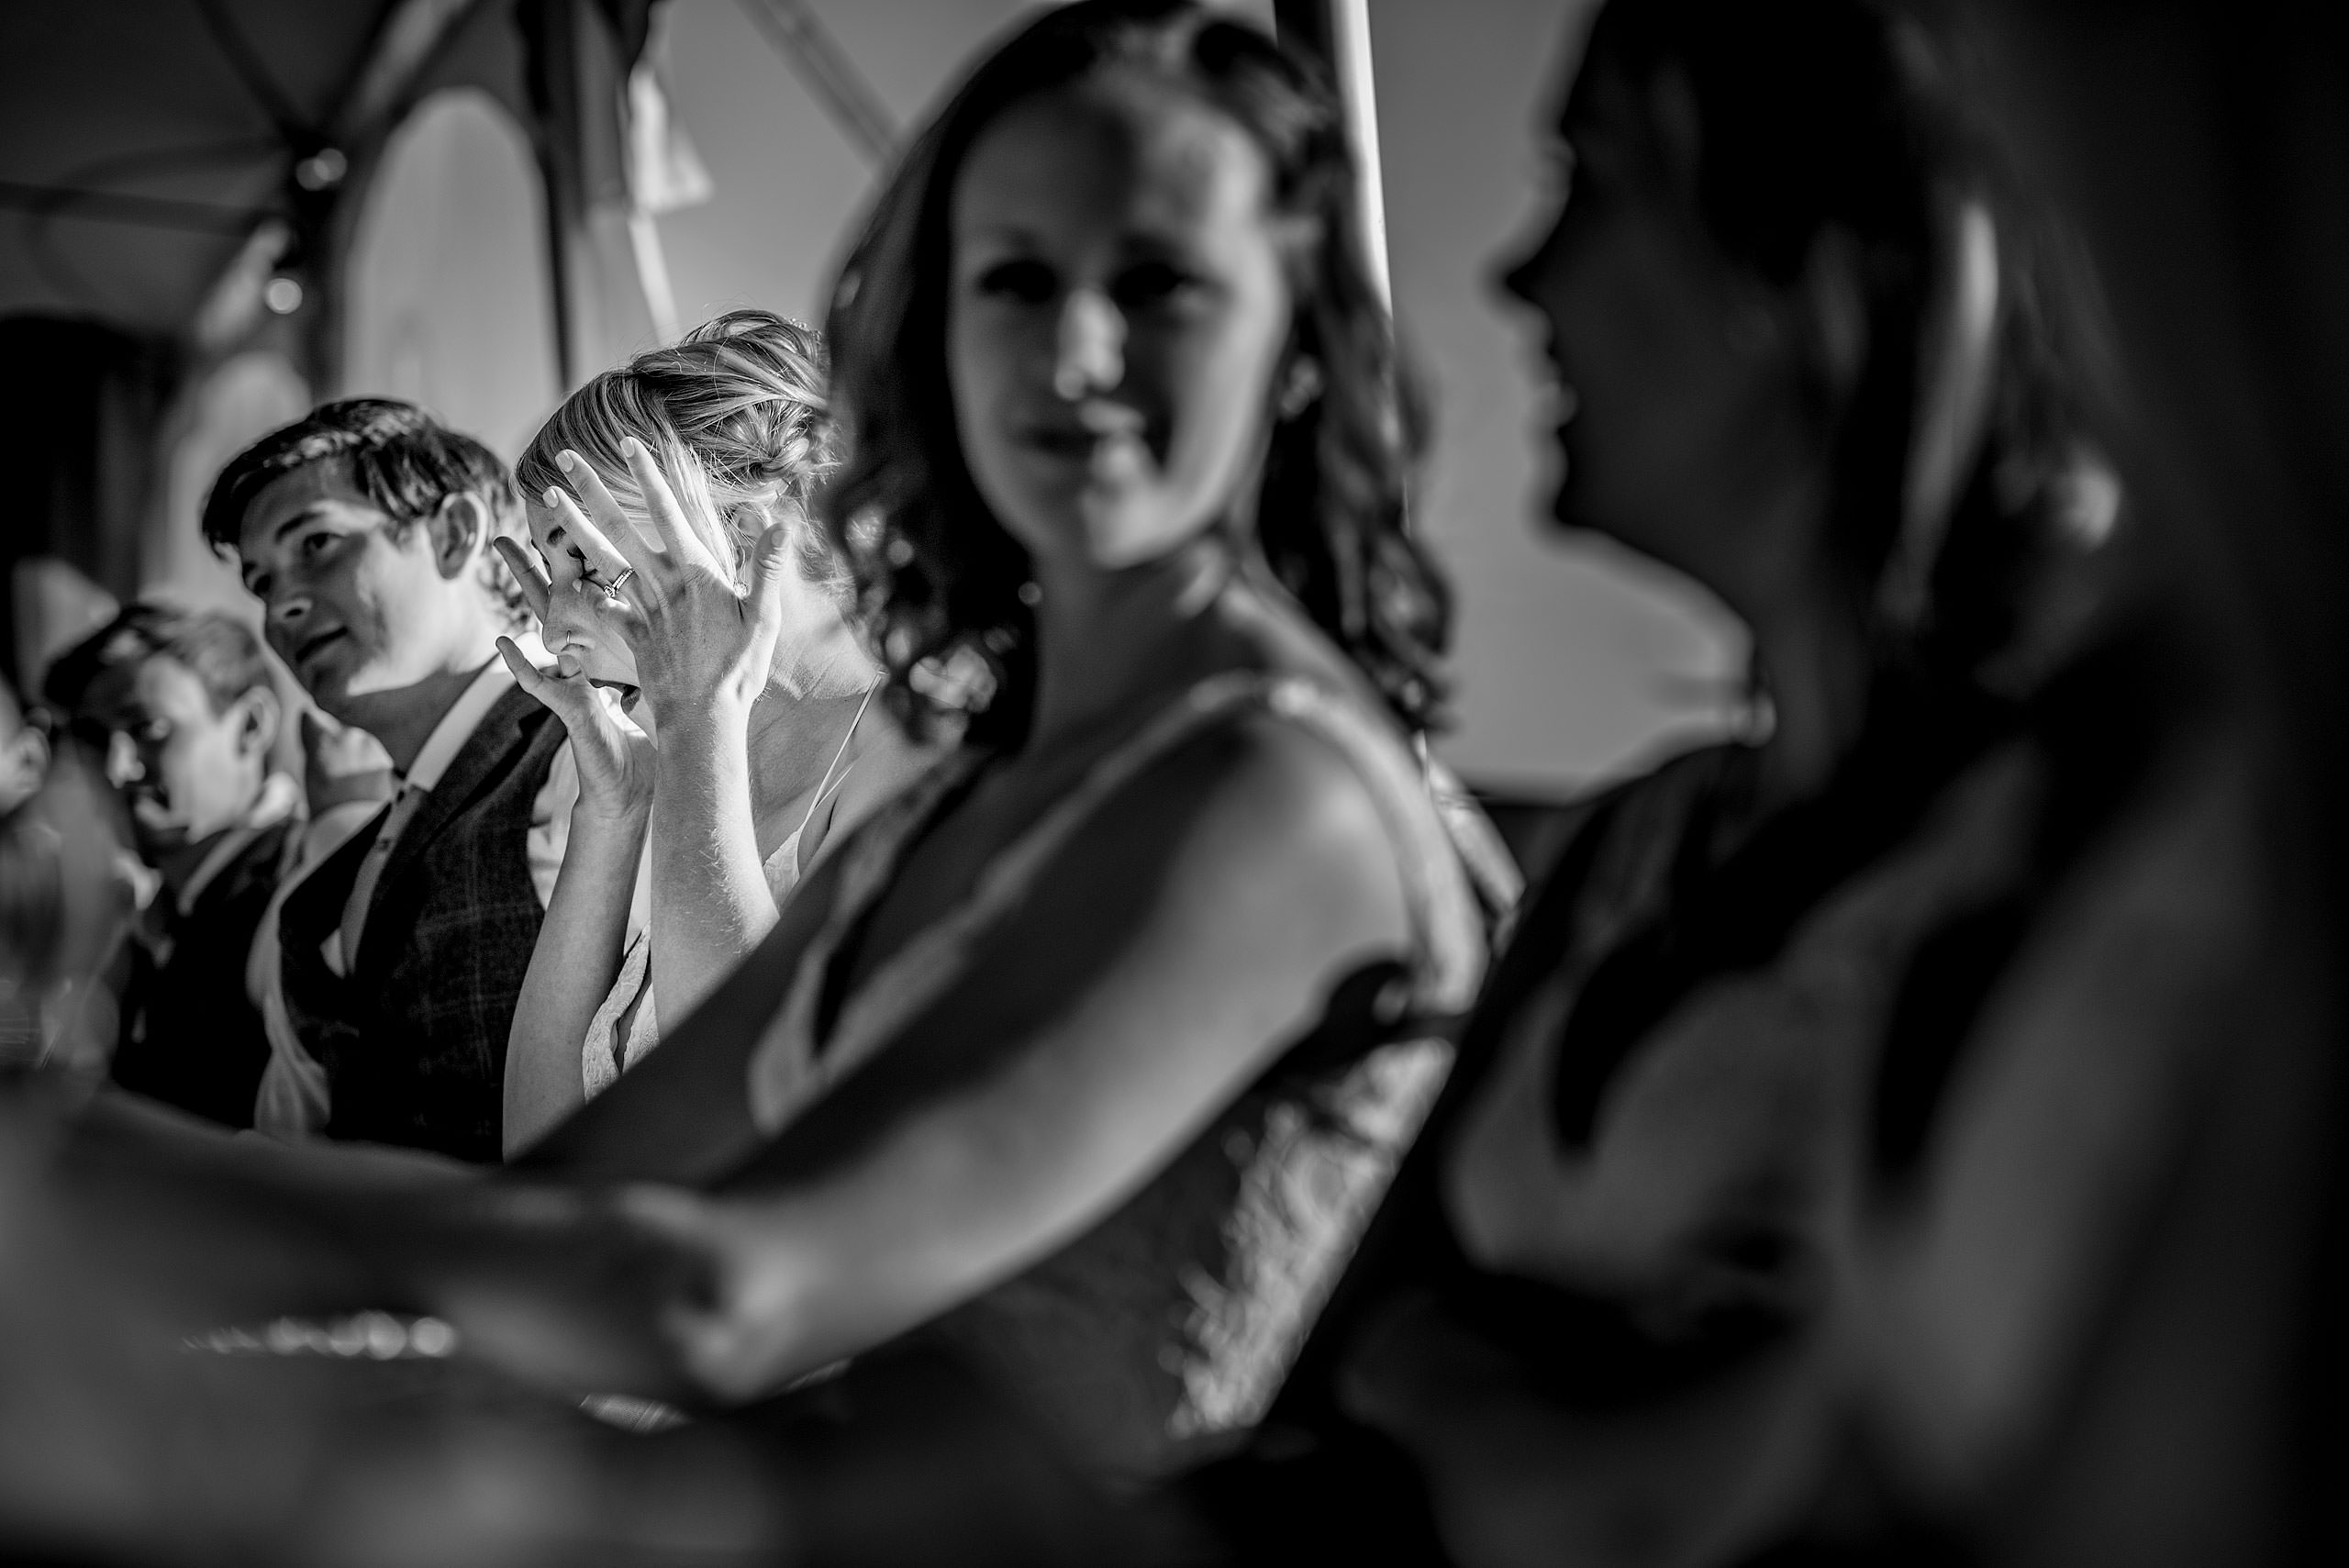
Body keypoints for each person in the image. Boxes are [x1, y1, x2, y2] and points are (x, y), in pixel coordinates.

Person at [21, 0, 1488, 1487]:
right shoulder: (990, 782)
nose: (1077, 354)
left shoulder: (1268, 777)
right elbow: (596, 1173)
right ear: (938, 332)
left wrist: (89, 1183)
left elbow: (724, 1290)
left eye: (1163, 282)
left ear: (1297, 342)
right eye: (1016, 281)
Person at [1203, 1, 2211, 1562]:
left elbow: (1697, 1498)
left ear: (1815, 271)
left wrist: (1463, 1391)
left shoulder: (2089, 826)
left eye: (1593, 185)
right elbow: (1345, 1370)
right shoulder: (1638, 840)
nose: (1517, 275)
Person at [495, 310, 934, 1154]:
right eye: (549, 579)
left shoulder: (907, 754)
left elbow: (743, 1110)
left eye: (586, 563)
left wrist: (697, 721)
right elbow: (537, 1146)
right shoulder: (692, 774)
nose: (555, 629)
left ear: (738, 531)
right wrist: (612, 811)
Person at [201, 400, 575, 1162]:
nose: (283, 607)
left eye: (317, 543)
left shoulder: (584, 751)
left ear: (453, 534)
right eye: (261, 582)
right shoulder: (357, 853)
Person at [41, 606, 297, 1129]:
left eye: (149, 729)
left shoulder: (307, 895)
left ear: (252, 725)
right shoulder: (139, 912)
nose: (117, 768)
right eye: (92, 739)